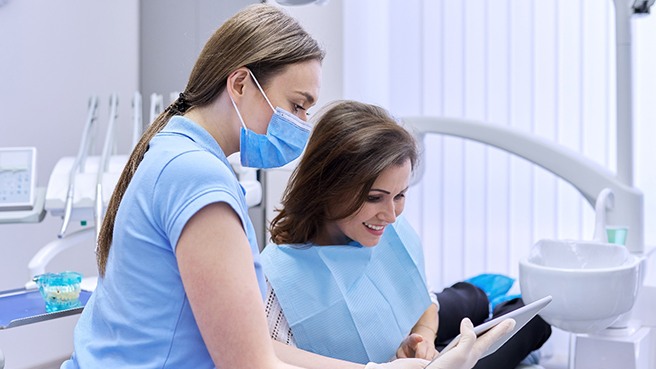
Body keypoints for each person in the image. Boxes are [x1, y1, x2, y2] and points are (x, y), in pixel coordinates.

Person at [60, 5, 512, 369]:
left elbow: (260, 345)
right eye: (297, 106)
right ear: (240, 83)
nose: (300, 126)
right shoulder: (196, 177)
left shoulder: (179, 153)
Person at [261, 100, 549, 369]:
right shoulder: (277, 283)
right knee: (534, 323)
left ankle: (478, 298)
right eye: (375, 197)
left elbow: (423, 301)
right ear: (328, 186)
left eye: (399, 195)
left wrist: (424, 337)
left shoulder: (384, 228)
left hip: (407, 332)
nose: (391, 215)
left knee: (474, 298)